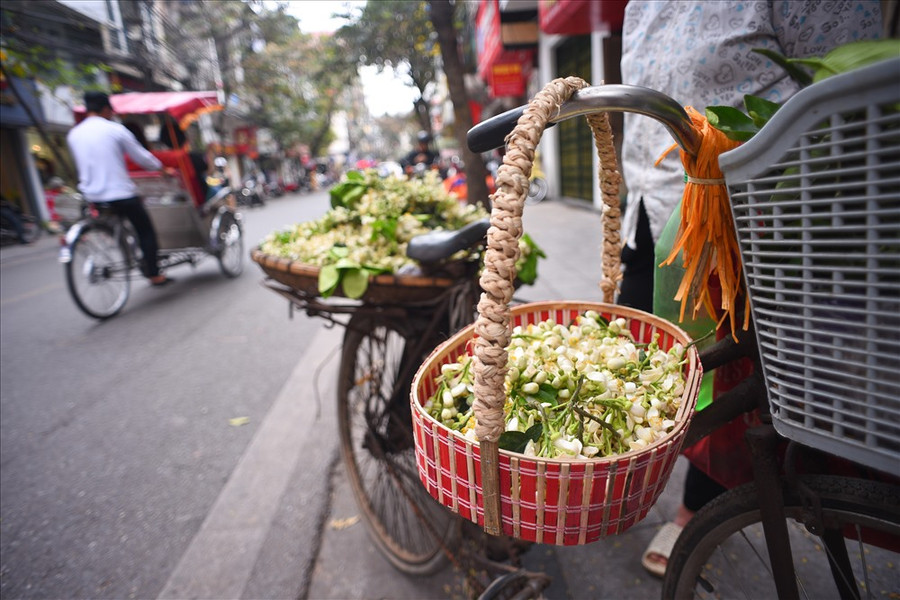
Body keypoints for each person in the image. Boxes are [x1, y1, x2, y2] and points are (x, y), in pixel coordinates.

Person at [617, 0, 884, 578]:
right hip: (648, 209)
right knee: (643, 373)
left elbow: (845, 92)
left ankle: (694, 508)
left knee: (726, 384)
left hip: (745, 230)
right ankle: (626, 484)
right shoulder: (640, 6)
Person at [67, 91, 172, 286]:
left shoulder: (74, 134)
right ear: (106, 109)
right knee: (145, 230)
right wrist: (161, 168)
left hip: (93, 197)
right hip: (121, 194)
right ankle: (154, 273)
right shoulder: (114, 129)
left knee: (115, 223)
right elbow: (142, 157)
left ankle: (126, 248)